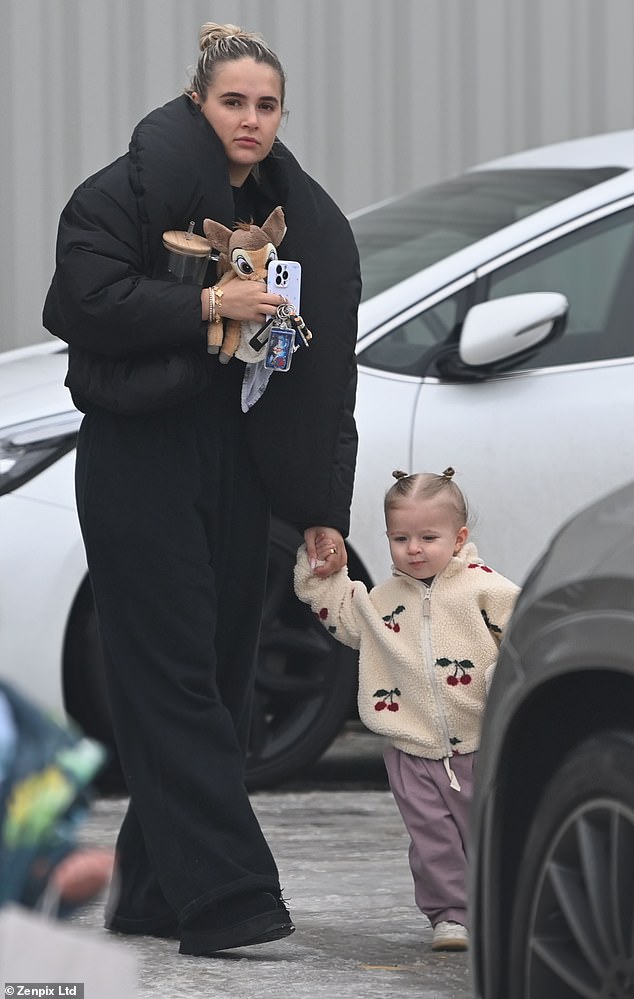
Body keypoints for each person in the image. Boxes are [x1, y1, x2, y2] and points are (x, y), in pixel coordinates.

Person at [42, 21, 360, 957]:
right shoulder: (117, 194)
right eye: (234, 102)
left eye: (267, 105)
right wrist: (204, 303)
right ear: (198, 103)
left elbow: (325, 372)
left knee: (219, 681)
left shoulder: (298, 214)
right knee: (171, 677)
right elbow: (80, 302)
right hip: (138, 452)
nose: (251, 119)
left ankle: (149, 892)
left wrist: (321, 508)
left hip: (236, 457)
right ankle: (228, 900)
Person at [294, 468, 520, 952]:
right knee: (432, 839)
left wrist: (500, 678)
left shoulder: (486, 588)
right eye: (400, 538)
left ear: (458, 538)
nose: (413, 548)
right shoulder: (383, 601)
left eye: (427, 537)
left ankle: (503, 907)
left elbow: (524, 633)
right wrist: (320, 574)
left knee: (491, 831)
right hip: (409, 747)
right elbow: (343, 615)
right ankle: (451, 916)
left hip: (480, 743)